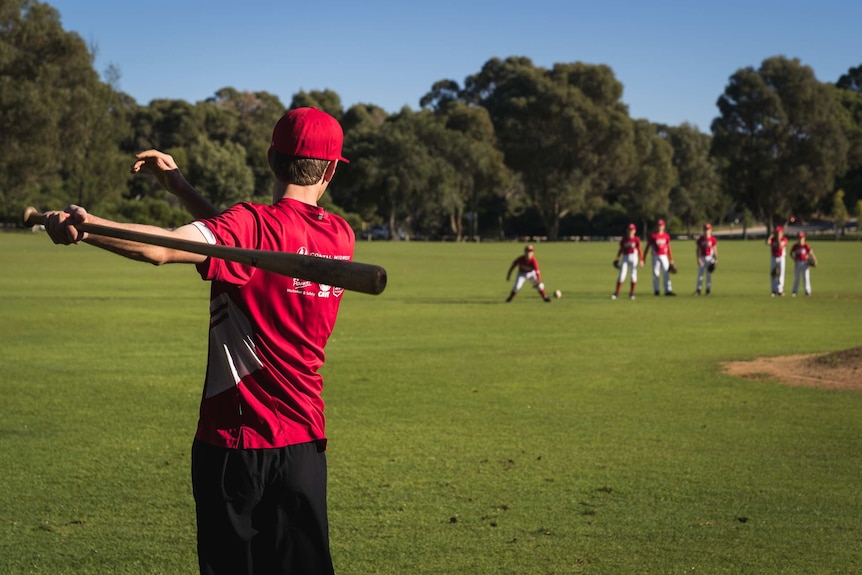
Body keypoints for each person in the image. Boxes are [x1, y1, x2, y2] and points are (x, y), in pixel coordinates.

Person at [43, 107, 352, 575]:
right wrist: (182, 189)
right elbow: (244, 253)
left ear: (271, 159)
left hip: (234, 445)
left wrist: (86, 226)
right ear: (330, 169)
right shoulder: (339, 237)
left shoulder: (250, 224)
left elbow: (164, 247)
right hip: (304, 448)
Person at [643, 219, 676, 296]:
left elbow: (668, 248)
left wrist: (671, 259)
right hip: (655, 256)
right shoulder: (653, 236)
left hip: (664, 255)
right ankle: (656, 290)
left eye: (661, 226)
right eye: (658, 226)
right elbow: (648, 246)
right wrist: (644, 257)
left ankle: (668, 290)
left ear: (664, 227)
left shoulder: (666, 236)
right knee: (656, 273)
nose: (659, 227)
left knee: (666, 272)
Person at [611, 223, 643, 300]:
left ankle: (632, 293)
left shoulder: (636, 239)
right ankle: (617, 293)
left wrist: (641, 259)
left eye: (632, 230)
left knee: (633, 275)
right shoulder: (624, 239)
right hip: (625, 257)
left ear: (634, 231)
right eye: (629, 229)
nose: (630, 231)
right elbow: (621, 249)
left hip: (634, 257)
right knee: (621, 275)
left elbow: (639, 250)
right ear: (627, 230)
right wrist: (617, 258)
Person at [694, 223, 718, 296]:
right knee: (700, 274)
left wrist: (716, 259)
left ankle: (708, 290)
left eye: (708, 229)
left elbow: (715, 249)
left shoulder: (713, 239)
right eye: (705, 229)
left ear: (710, 230)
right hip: (702, 257)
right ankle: (698, 290)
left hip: (710, 257)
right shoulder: (701, 239)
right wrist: (698, 258)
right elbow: (697, 249)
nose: (706, 231)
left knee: (708, 274)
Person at [790, 232, 816, 296]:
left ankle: (807, 291)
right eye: (799, 238)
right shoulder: (795, 246)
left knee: (806, 278)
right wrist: (794, 259)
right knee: (797, 278)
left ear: (804, 238)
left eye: (801, 238)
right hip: (797, 263)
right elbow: (791, 253)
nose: (800, 239)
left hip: (805, 263)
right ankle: (794, 291)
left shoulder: (806, 246)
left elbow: (811, 253)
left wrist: (814, 260)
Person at [767, 225, 788, 296]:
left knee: (781, 274)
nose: (777, 234)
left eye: (778, 232)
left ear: (782, 233)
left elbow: (780, 245)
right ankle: (773, 290)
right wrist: (771, 236)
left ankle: (780, 290)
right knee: (773, 274)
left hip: (781, 258)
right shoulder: (773, 239)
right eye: (776, 232)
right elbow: (768, 242)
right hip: (774, 257)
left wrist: (778, 238)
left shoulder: (784, 239)